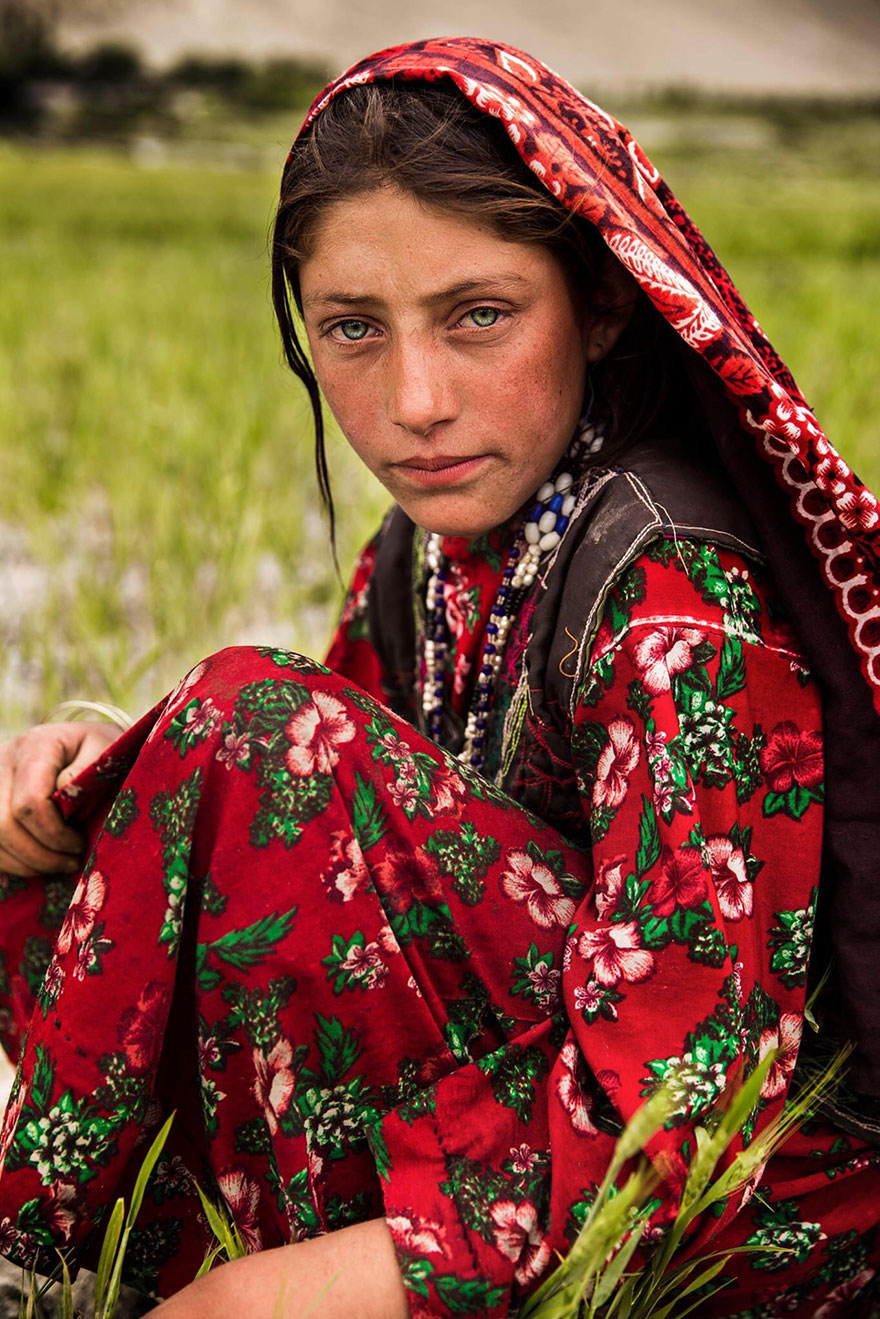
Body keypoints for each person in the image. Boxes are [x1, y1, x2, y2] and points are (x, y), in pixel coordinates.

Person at [1, 36, 879, 1319]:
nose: (415, 401)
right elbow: (334, 803)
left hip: (729, 1190)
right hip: (550, 1115)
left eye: (480, 316)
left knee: (249, 722)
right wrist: (80, 766)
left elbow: (684, 1117)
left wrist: (266, 1301)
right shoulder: (452, 532)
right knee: (158, 802)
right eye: (352, 330)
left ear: (601, 300)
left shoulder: (671, 593)